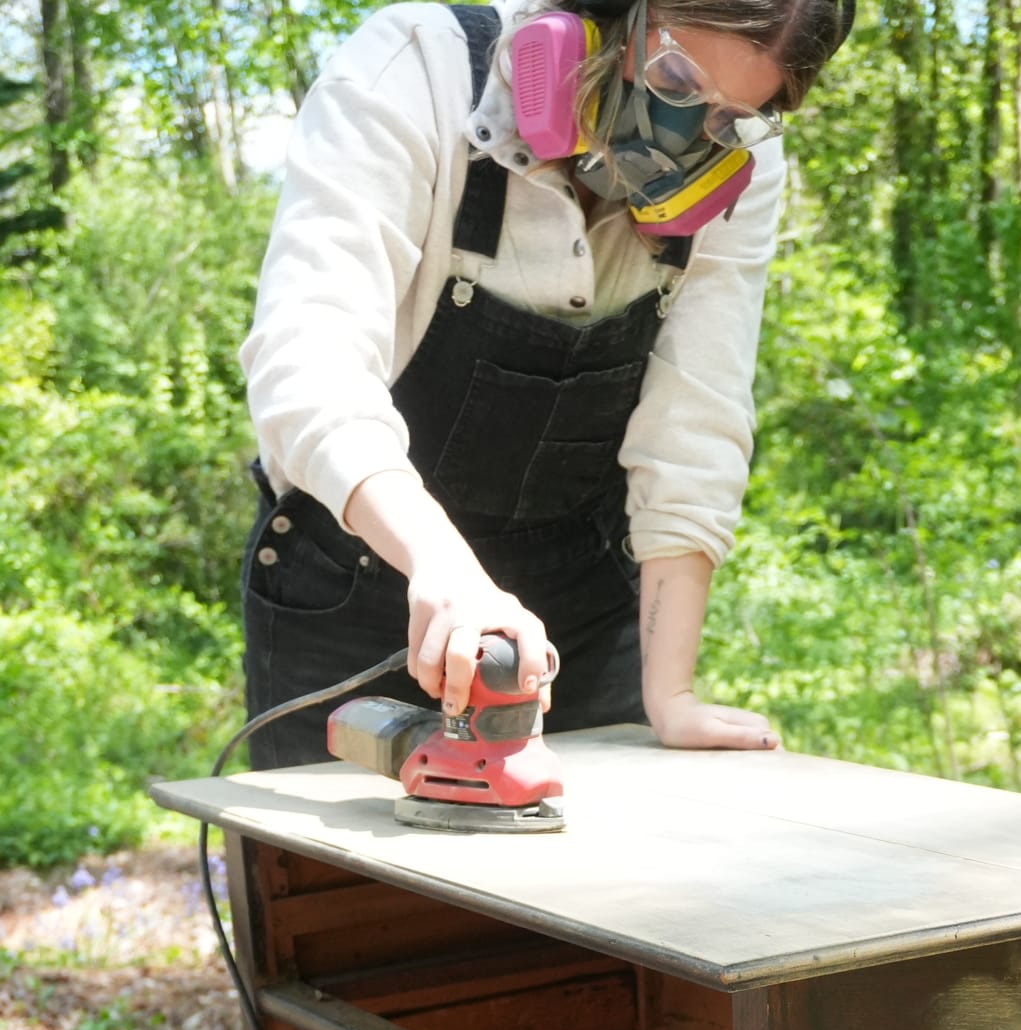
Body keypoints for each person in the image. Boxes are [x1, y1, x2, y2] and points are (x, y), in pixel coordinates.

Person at [239, 0, 853, 769]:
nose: (687, 133)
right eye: (675, 79)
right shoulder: (415, 70)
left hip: (580, 608)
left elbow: (695, 419)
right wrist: (446, 572)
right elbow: (311, 361)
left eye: (730, 119)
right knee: (339, 890)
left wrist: (672, 695)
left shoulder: (740, 173)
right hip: (354, 585)